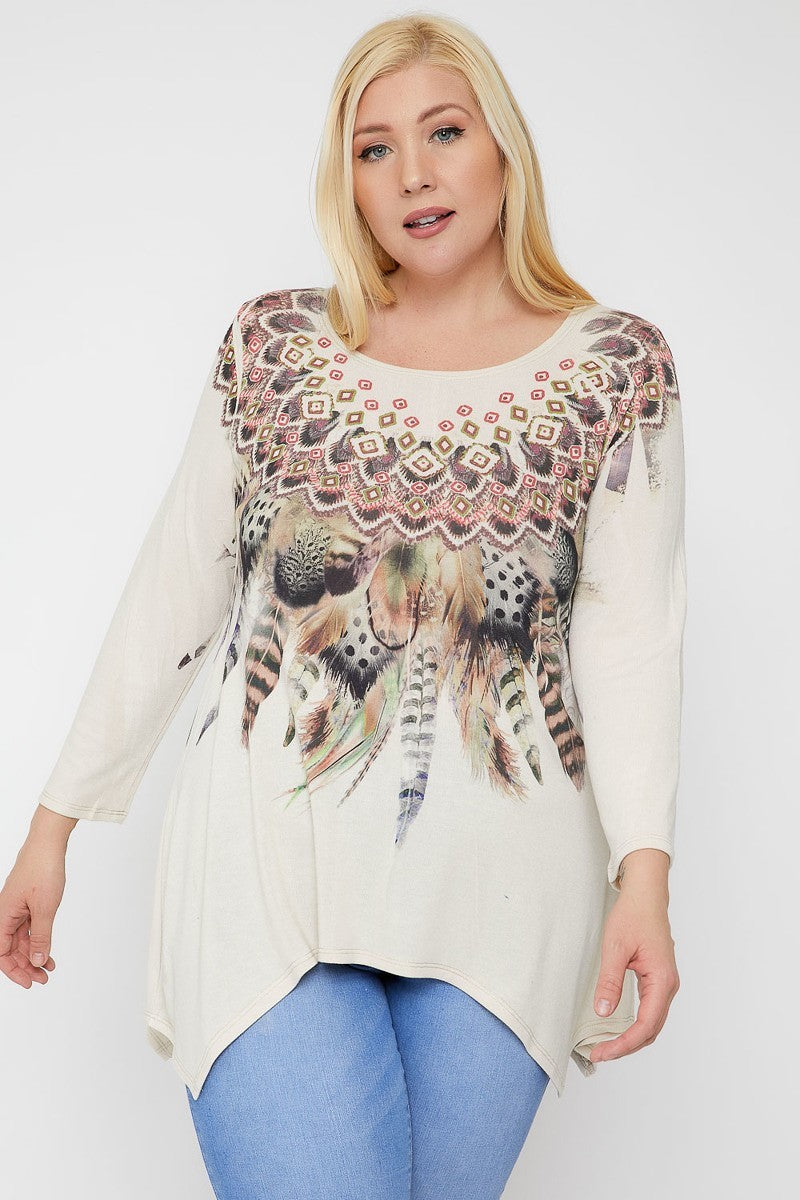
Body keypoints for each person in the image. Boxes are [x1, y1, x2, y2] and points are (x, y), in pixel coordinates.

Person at [1, 12, 686, 1199]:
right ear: (348, 182)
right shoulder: (275, 347)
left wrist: (645, 876)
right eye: (373, 149)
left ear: (503, 148)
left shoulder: (612, 368)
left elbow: (630, 634)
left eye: (443, 132)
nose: (412, 173)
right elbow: (178, 581)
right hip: (266, 866)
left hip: (505, 886)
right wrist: (54, 824)